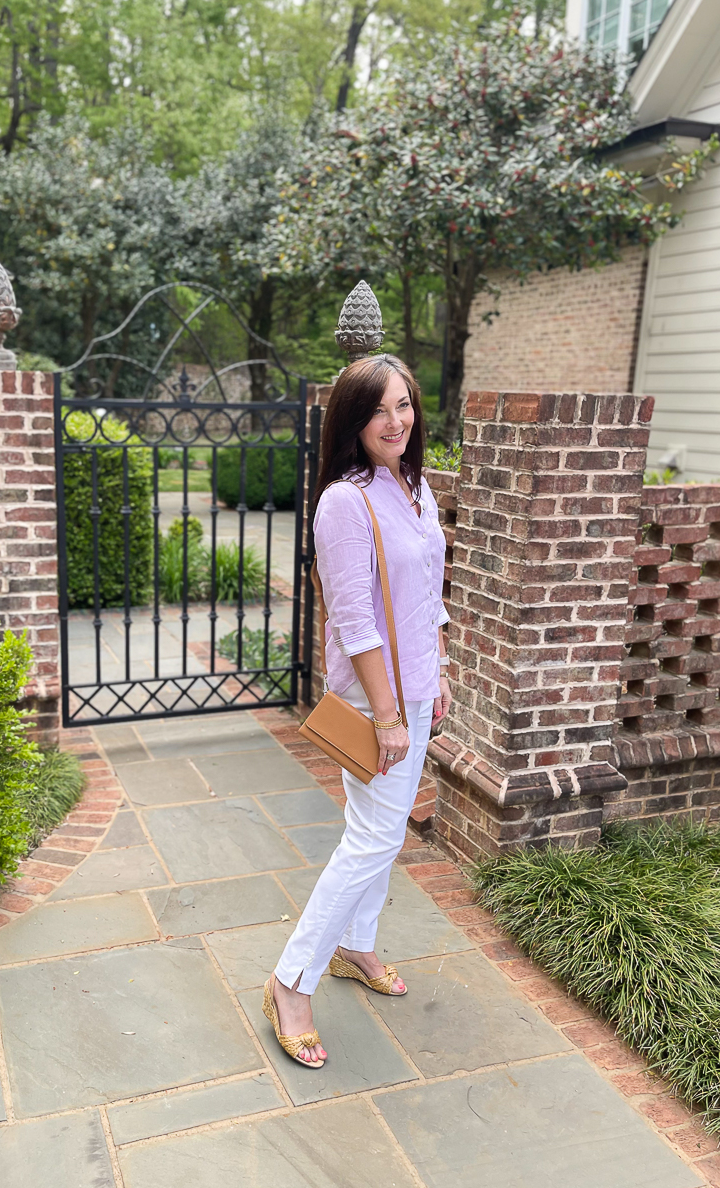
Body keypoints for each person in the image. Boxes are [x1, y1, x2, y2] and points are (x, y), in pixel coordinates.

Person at [262, 352, 452, 1068]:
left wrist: (443, 667)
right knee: (373, 839)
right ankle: (292, 980)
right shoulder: (346, 501)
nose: (396, 420)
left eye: (404, 405)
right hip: (377, 700)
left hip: (416, 689)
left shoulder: (414, 486)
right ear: (352, 419)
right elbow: (354, 622)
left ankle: (357, 947)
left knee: (377, 831)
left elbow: (427, 592)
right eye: (378, 409)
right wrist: (388, 714)